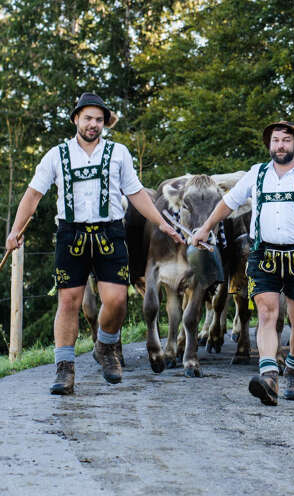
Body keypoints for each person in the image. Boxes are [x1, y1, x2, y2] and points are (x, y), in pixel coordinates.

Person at [5, 92, 182, 395]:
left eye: (99, 119)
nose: (93, 124)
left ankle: (107, 345)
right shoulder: (56, 155)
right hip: (70, 235)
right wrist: (15, 230)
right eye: (88, 118)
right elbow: (33, 194)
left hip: (110, 233)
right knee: (69, 302)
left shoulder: (119, 153)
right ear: (76, 119)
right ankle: (64, 369)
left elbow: (137, 193)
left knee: (116, 301)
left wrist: (163, 222)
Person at [193, 121, 294, 405]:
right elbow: (229, 203)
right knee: (267, 315)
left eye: (285, 140)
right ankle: (269, 375)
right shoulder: (256, 174)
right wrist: (205, 227)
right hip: (263, 255)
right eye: (275, 140)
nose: (279, 145)